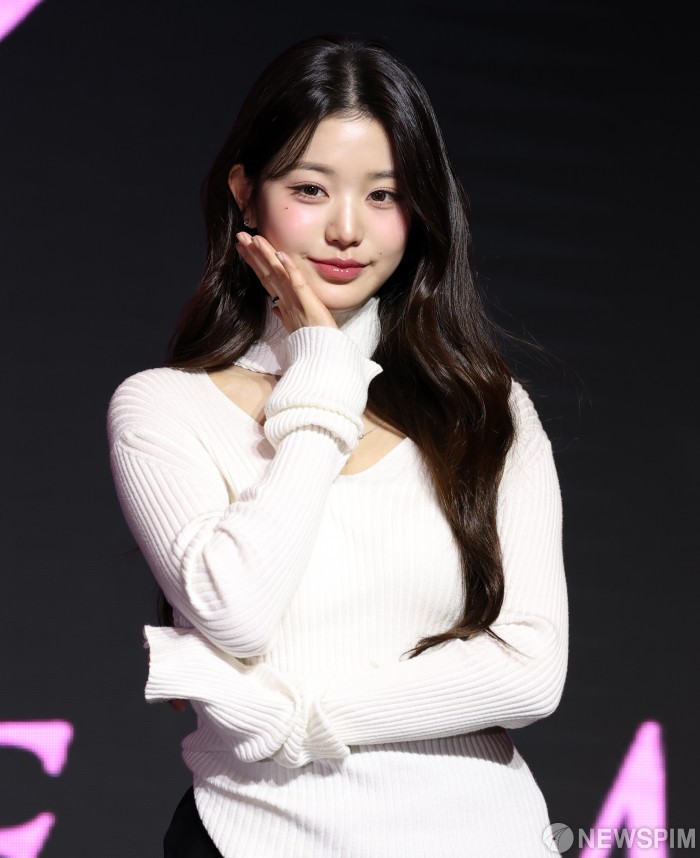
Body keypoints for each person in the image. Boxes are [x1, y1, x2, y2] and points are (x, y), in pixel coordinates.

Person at [107, 33, 569, 858]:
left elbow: (531, 673)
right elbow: (238, 613)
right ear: (246, 195)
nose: (348, 229)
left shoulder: (486, 410)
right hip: (252, 838)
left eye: (384, 195)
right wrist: (322, 369)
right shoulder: (165, 407)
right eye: (310, 189)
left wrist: (305, 717)